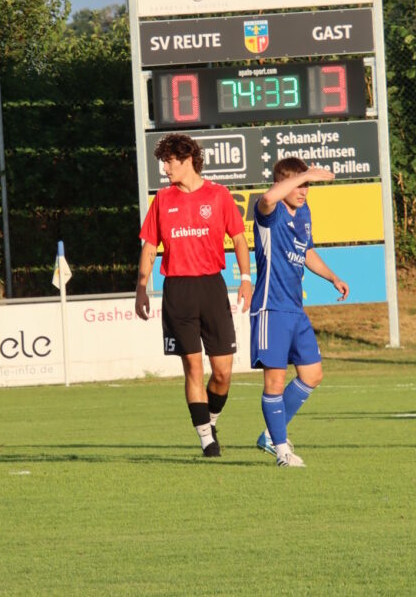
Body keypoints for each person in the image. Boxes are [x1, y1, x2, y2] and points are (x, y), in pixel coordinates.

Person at [135, 133, 253, 457]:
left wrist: (246, 279)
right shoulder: (162, 200)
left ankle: (210, 421)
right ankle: (206, 441)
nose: (165, 169)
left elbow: (238, 239)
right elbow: (149, 247)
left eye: (169, 162)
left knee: (223, 372)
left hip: (212, 287)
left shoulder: (219, 195)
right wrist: (141, 288)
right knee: (193, 366)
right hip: (178, 290)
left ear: (187, 160)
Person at [249, 157, 348, 468]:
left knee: (312, 374)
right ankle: (282, 452)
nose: (304, 190)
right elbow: (268, 197)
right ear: (283, 184)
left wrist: (333, 277)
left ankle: (270, 435)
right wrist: (307, 174)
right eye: (299, 184)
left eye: (307, 185)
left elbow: (307, 252)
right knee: (274, 382)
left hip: (295, 309)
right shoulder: (269, 212)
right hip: (271, 309)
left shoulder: (303, 213)